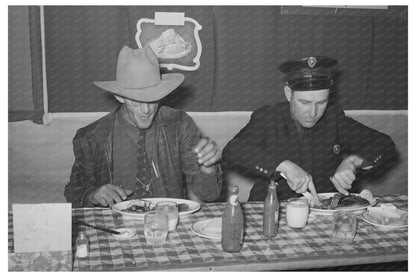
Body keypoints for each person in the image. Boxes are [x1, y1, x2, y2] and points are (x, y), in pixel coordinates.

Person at [65, 45, 222, 208]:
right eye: (136, 102)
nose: (147, 110)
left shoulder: (179, 125)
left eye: (154, 100)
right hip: (116, 227)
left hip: (167, 222)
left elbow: (209, 195)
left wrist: (208, 169)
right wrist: (92, 195)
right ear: (119, 97)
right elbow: (73, 193)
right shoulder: (92, 137)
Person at [222, 56, 397, 202]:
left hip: (323, 210)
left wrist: (353, 161)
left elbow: (384, 144)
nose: (313, 113)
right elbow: (233, 150)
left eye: (321, 102)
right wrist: (284, 166)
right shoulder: (268, 117)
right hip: (273, 207)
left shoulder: (334, 118)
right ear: (289, 94)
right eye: (305, 102)